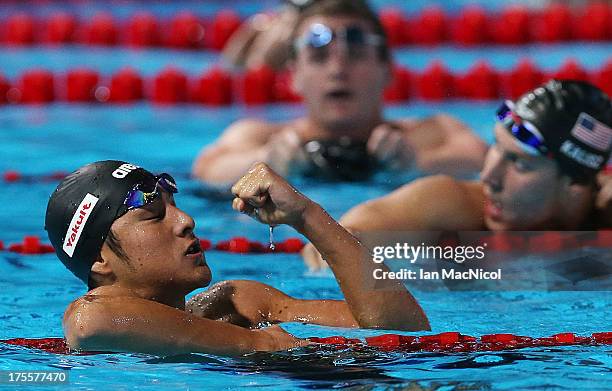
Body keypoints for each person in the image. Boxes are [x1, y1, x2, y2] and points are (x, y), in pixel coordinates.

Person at [45, 160, 429, 356]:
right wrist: (260, 345)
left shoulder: (239, 303)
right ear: (99, 258)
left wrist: (307, 216)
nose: (185, 221)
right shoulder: (92, 316)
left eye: (175, 207)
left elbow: (402, 329)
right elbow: (92, 320)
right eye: (154, 216)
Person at [302, 79, 612, 269]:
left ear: (575, 186)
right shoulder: (451, 202)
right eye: (496, 147)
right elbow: (330, 244)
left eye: (520, 163)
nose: (489, 176)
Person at [193, 0, 487, 185]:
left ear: (388, 69)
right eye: (319, 58)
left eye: (356, 55)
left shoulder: (431, 133)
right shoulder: (259, 137)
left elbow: (481, 158)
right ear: (293, 75)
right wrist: (268, 161)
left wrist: (416, 165)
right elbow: (207, 169)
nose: (337, 70)